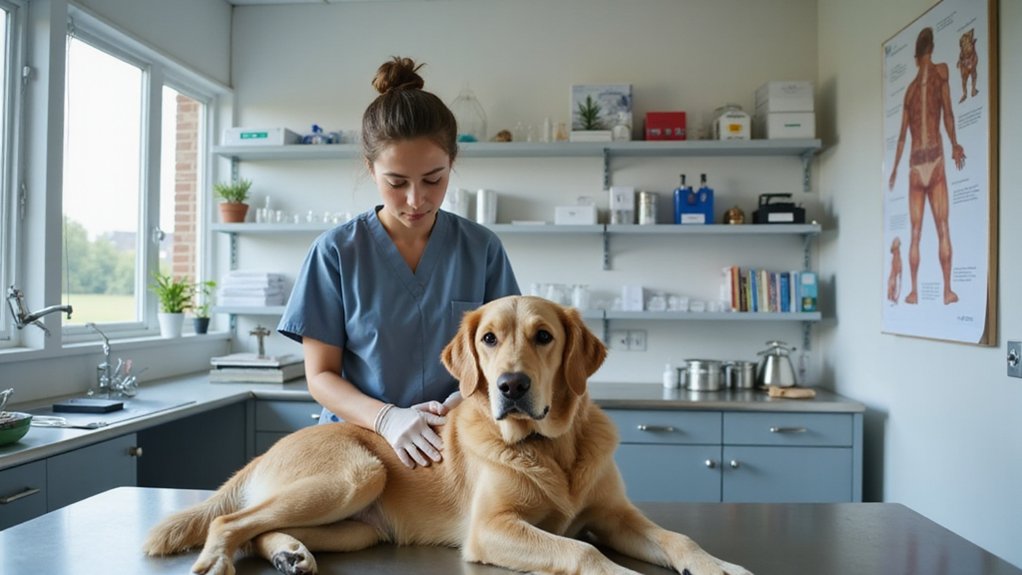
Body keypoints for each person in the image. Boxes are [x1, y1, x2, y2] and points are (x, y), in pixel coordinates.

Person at [278, 57, 520, 468]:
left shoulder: (481, 249)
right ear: (371, 169)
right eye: (396, 182)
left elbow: (508, 357)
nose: (416, 199)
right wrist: (386, 418)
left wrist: (459, 403)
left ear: (452, 165)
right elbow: (320, 375)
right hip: (358, 443)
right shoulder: (335, 253)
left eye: (433, 179)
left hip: (457, 441)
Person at [888, 27, 966, 306]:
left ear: (914, 55)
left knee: (916, 233)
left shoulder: (909, 92)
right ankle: (946, 291)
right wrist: (955, 143)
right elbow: (948, 115)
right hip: (933, 159)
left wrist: (895, 169)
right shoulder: (941, 73)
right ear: (931, 49)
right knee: (942, 227)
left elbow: (901, 139)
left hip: (914, 164)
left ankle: (913, 292)